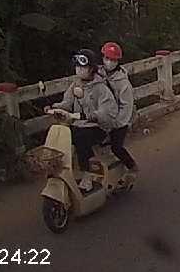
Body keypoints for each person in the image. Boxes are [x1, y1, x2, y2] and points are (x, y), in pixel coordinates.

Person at [50, 49, 116, 191]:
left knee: (81, 139)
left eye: (83, 67)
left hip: (98, 126)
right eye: (77, 67)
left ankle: (88, 175)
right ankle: (65, 174)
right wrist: (55, 107)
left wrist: (91, 115)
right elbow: (67, 102)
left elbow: (107, 111)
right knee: (62, 138)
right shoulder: (75, 85)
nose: (79, 70)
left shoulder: (101, 87)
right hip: (79, 124)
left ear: (91, 69)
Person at [100, 42, 137, 172]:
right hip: (104, 116)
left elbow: (126, 106)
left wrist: (117, 124)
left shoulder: (123, 83)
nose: (109, 62)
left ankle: (132, 166)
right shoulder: (98, 74)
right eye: (107, 58)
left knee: (116, 147)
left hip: (120, 120)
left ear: (117, 62)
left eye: (113, 60)